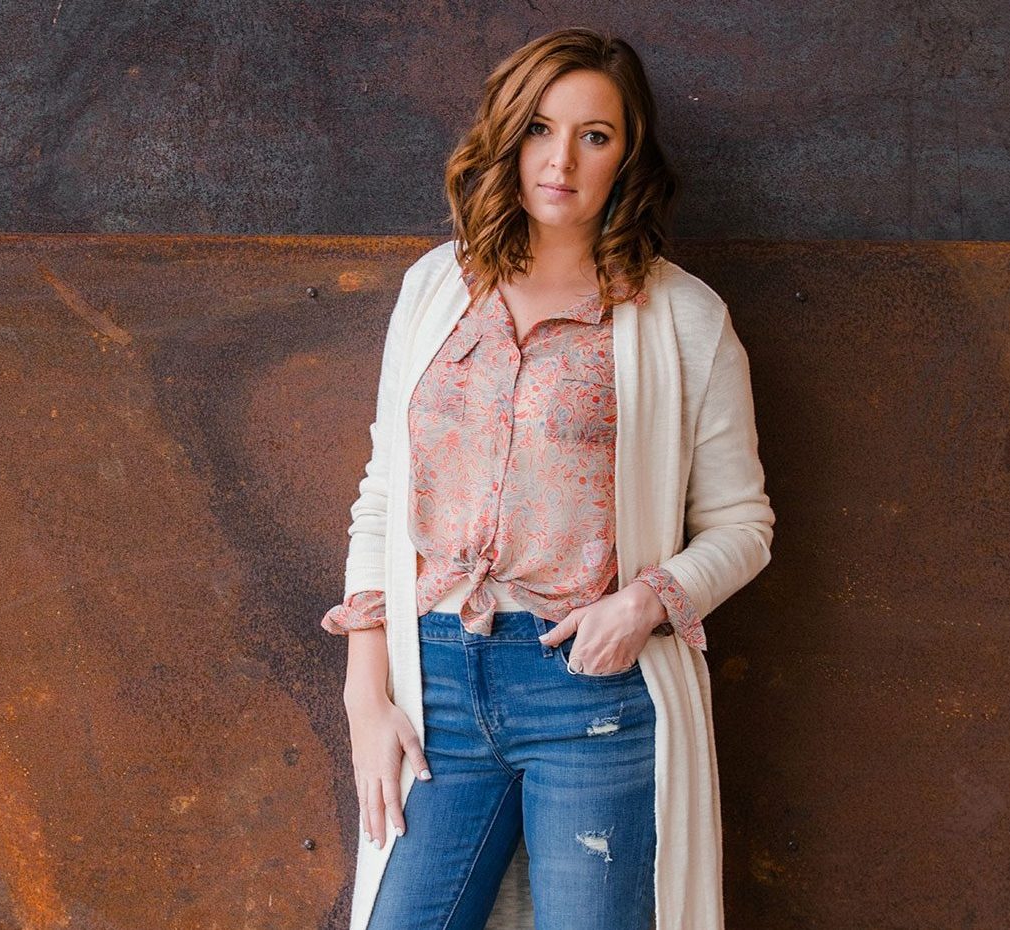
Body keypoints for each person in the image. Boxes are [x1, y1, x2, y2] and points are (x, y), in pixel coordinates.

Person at [320, 27, 776, 930]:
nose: (560, 159)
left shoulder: (683, 318)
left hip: (591, 693)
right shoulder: (435, 290)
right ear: (507, 139)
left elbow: (743, 522)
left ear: (627, 157)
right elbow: (383, 496)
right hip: (435, 684)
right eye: (538, 128)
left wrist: (644, 602)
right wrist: (363, 692)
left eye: (594, 136)